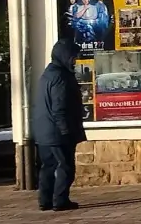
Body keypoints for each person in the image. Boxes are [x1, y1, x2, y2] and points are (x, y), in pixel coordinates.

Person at [33, 39, 86, 212]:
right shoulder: (61, 77)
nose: (74, 61)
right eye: (72, 57)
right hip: (56, 132)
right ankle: (60, 200)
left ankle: (45, 200)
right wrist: (66, 130)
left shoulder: (48, 73)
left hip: (44, 131)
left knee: (48, 166)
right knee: (65, 166)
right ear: (64, 56)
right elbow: (59, 106)